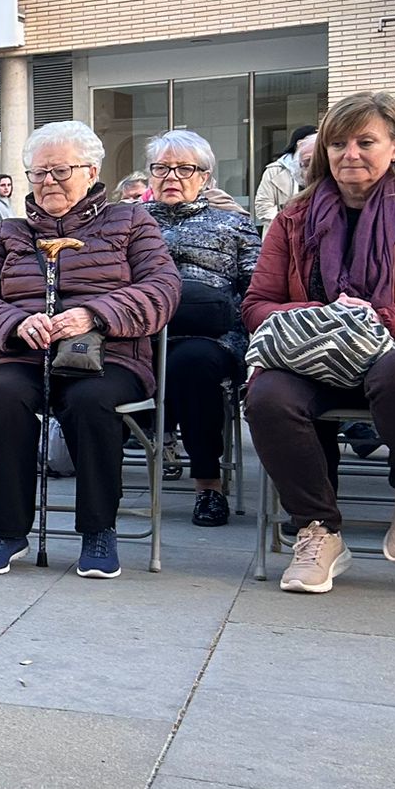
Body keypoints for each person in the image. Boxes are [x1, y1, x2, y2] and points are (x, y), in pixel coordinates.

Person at [244, 92, 395, 593]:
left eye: (366, 142)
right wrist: (326, 318)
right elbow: (257, 304)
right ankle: (318, 529)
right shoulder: (293, 218)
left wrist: (383, 318)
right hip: (317, 355)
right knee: (267, 395)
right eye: (338, 143)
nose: (350, 154)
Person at [0, 121, 179, 579]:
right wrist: (17, 322)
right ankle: (4, 530)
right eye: (38, 174)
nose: (48, 182)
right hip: (25, 354)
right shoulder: (9, 233)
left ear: (91, 170)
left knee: (91, 402)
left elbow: (163, 288)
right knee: (5, 399)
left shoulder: (133, 220)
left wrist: (95, 313)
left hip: (109, 355)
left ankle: (99, 530)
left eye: (60, 171)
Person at [144, 130, 261, 528]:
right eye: (161, 168)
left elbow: (254, 288)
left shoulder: (234, 225)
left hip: (210, 336)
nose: (171, 176)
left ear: (206, 177)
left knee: (191, 365)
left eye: (184, 169)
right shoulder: (129, 222)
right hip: (141, 330)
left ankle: (208, 487)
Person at [253, 125, 317, 229]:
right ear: (299, 145)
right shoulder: (274, 170)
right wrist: (287, 224)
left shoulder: (324, 167)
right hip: (281, 233)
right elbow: (263, 206)